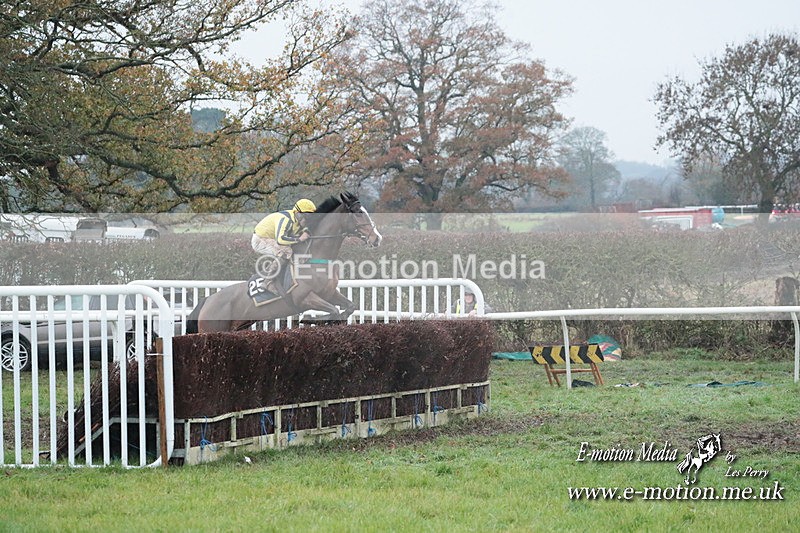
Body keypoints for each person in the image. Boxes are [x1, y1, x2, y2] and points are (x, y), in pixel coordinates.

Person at [251, 198, 316, 295]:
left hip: (270, 239)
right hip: (260, 239)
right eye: (306, 216)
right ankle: (267, 282)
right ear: (298, 213)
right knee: (286, 251)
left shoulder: (296, 221)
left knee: (291, 249)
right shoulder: (286, 219)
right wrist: (299, 239)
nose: (308, 219)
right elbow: (281, 240)